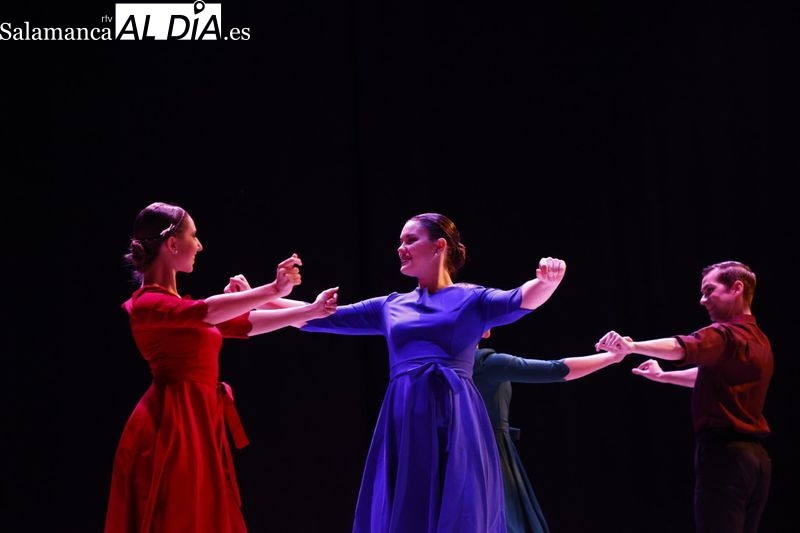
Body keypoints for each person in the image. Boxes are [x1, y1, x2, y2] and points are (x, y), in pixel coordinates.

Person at [291, 212, 566, 532]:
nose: (400, 247)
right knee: (408, 500)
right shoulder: (391, 305)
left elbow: (520, 299)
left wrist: (548, 281)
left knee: (460, 501)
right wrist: (263, 297)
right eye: (400, 241)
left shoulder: (473, 297)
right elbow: (319, 315)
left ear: (438, 246)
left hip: (456, 411)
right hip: (405, 413)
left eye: (410, 240)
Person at [104, 201, 339, 533]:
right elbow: (207, 313)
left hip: (198, 421)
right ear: (172, 244)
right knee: (179, 515)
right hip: (171, 425)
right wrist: (272, 289)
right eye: (193, 235)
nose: (199, 245)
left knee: (204, 514)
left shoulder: (180, 306)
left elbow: (244, 324)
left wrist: (308, 312)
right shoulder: (147, 304)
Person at [595, 260, 773, 533]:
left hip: (724, 458)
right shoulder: (759, 340)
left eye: (709, 290)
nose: (703, 300)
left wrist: (632, 346)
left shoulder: (725, 335)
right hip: (756, 463)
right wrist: (663, 375)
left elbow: (683, 346)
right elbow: (710, 377)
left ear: (737, 288)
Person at [472, 329, 628, 533]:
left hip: (451, 451)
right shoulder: (486, 364)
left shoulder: (434, 364)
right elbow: (557, 369)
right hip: (489, 455)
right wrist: (612, 357)